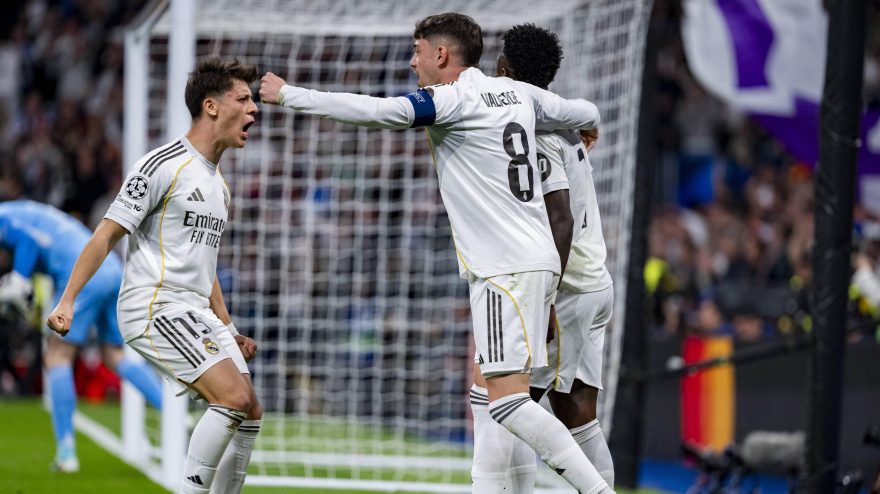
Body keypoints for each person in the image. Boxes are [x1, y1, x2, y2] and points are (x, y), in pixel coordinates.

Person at [259, 13, 612, 494]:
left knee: (507, 402)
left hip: (503, 269)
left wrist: (290, 95)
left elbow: (375, 110)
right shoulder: (520, 94)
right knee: (486, 396)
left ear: (441, 55)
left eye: (418, 51)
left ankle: (597, 491)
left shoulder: (451, 100)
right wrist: (590, 122)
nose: (412, 61)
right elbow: (581, 108)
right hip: (536, 264)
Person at [47, 57, 261, 494]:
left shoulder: (219, 186)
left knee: (251, 411)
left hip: (195, 309)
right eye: (244, 99)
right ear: (212, 106)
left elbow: (206, 264)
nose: (254, 109)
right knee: (232, 399)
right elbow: (105, 236)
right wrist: (67, 300)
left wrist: (228, 326)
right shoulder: (161, 164)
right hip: (154, 305)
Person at [469, 24, 616, 493]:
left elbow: (561, 220)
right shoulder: (562, 119)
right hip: (593, 280)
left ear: (506, 69)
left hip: (567, 287)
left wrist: (546, 300)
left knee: (507, 400)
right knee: (575, 414)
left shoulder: (538, 131)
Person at [0, 200, 163, 473]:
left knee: (56, 356)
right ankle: (173, 414)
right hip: (110, 267)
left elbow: (27, 241)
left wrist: (18, 279)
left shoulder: (4, 218)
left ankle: (66, 453)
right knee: (114, 355)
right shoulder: (21, 210)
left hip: (84, 272)